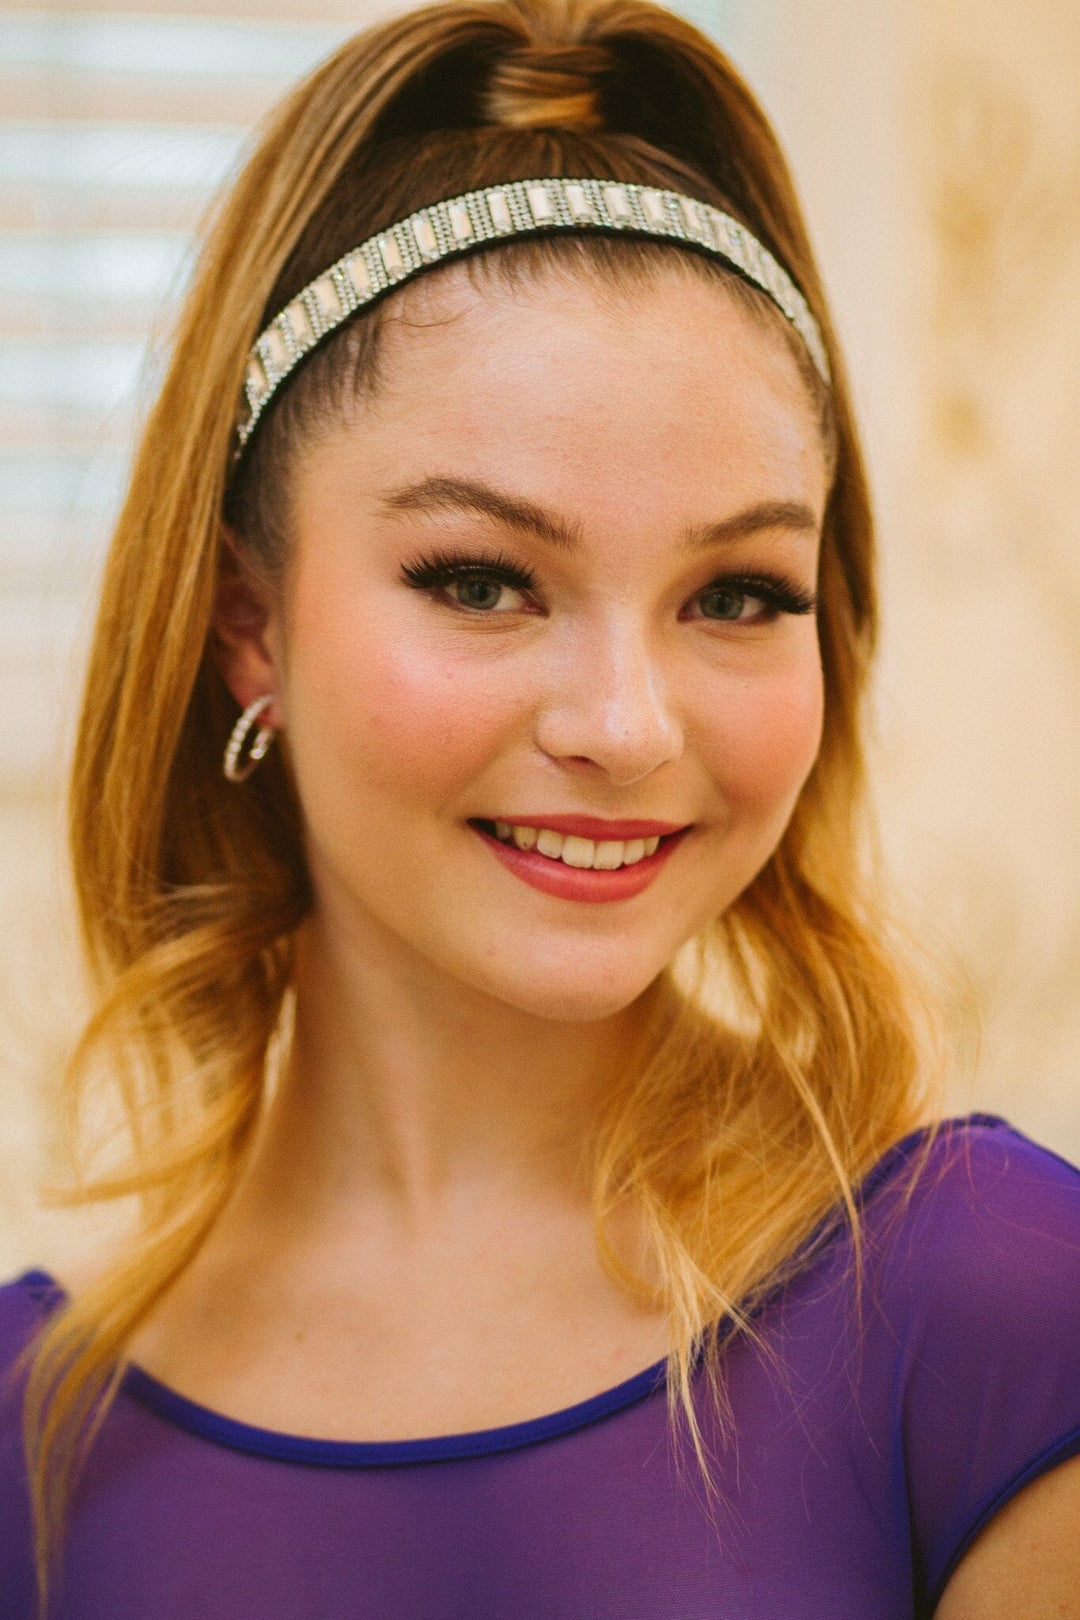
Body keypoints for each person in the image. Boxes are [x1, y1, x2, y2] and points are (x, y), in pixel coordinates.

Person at [2, 0, 1079, 1613]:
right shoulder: (37, 1440)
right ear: (249, 625)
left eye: (735, 594)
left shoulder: (991, 1303)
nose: (628, 726)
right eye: (485, 579)